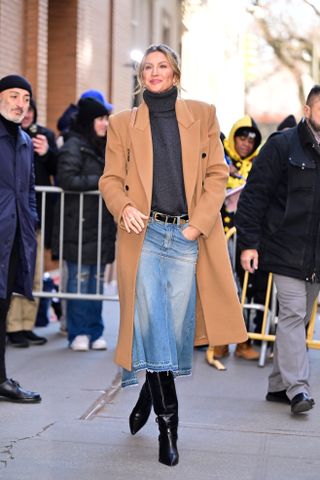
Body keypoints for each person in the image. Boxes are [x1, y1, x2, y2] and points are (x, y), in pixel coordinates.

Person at [99, 43, 247, 467]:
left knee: (175, 332)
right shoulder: (122, 123)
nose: (155, 72)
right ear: (141, 76)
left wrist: (197, 224)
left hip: (185, 235)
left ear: (176, 74)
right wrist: (122, 205)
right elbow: (110, 179)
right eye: (148, 67)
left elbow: (218, 173)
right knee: (153, 324)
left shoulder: (202, 114)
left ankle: (150, 388)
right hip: (142, 235)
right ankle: (169, 426)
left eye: (162, 66)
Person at [235, 84, 320, 415]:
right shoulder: (281, 146)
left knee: (299, 319)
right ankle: (298, 388)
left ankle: (277, 385)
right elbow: (254, 196)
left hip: (315, 255)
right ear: (308, 110)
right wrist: (248, 244)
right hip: (284, 248)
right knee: (293, 314)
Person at [53, 97, 116, 351]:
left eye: (106, 119)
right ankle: (77, 332)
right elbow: (66, 179)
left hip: (100, 223)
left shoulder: (105, 147)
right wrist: (101, 180)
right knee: (79, 279)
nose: (105, 124)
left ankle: (94, 330)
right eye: (101, 119)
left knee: (96, 281)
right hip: (77, 223)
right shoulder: (73, 146)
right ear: (90, 120)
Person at [0, 74, 41, 403]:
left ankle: (0, 379)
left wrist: (31, 221)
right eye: (13, 96)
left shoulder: (25, 141)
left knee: (3, 308)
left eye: (25, 99)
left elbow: (28, 191)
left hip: (14, 238)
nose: (20, 104)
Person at [6, 98, 58, 348]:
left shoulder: (41, 137)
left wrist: (47, 152)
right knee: (12, 272)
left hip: (33, 217)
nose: (24, 111)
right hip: (9, 216)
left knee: (33, 273)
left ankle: (28, 324)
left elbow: (58, 169)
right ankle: (13, 326)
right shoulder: (9, 136)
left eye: (29, 106)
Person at [213, 116, 263, 362]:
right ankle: (219, 342)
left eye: (251, 139)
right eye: (241, 138)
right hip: (218, 236)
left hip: (245, 238)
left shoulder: (259, 164)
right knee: (222, 290)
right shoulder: (220, 160)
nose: (246, 143)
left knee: (243, 290)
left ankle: (244, 342)